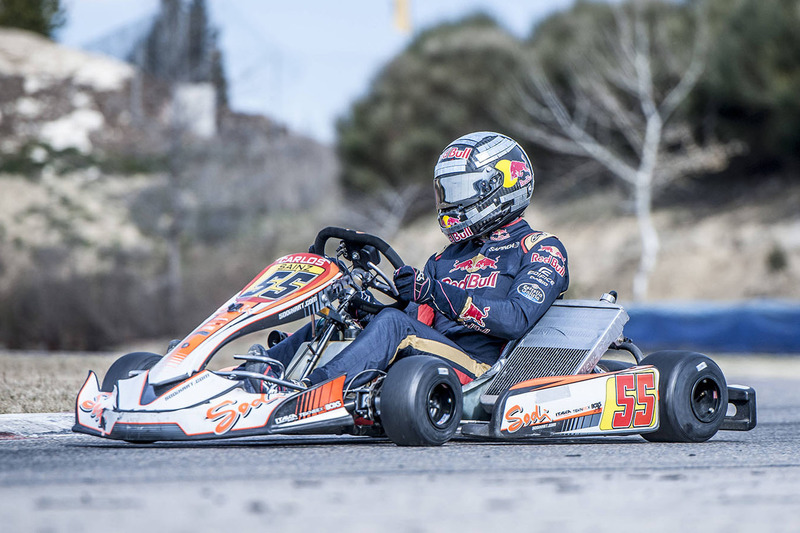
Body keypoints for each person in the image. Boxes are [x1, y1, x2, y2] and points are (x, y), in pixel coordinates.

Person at [244, 131, 569, 392]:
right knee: (340, 315)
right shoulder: (447, 257)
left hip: (484, 369)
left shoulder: (540, 249)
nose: (450, 201)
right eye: (447, 190)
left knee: (394, 326)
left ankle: (307, 392)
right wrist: (364, 308)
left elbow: (515, 320)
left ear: (499, 186)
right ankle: (255, 374)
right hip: (433, 354)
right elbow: (418, 320)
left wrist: (433, 293)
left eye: (459, 189)